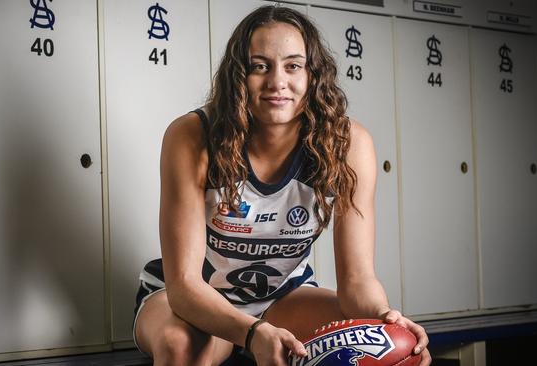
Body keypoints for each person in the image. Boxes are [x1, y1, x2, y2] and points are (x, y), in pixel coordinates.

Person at [133, 5, 431, 366]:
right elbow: (184, 285)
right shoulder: (194, 136)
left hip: (283, 298)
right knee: (181, 348)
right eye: (260, 66)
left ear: (313, 75)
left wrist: (386, 318)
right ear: (239, 76)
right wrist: (252, 333)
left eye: (293, 66)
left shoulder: (348, 145)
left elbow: (356, 279)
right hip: (193, 298)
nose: (277, 82)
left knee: (388, 344)